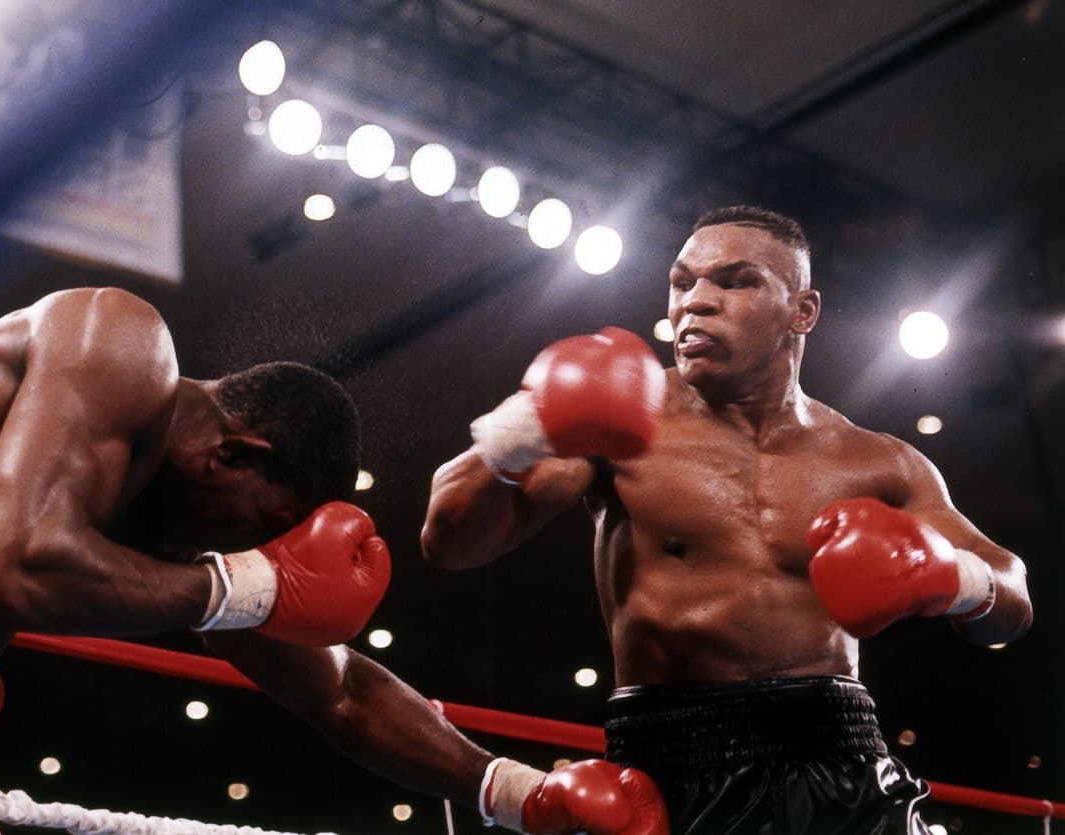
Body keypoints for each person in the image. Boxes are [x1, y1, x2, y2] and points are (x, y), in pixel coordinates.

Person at [0, 286, 668, 835]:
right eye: (264, 527)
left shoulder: (186, 537)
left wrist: (517, 791)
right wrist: (250, 584)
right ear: (232, 455)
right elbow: (11, 567)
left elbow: (341, 693)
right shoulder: (120, 340)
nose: (251, 556)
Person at [421, 205, 1034, 834]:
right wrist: (525, 427)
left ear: (803, 311)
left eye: (734, 281)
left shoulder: (880, 462)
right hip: (673, 763)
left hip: (843, 757)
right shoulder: (621, 425)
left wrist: (953, 577)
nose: (695, 303)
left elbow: (1011, 602)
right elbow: (449, 543)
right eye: (683, 283)